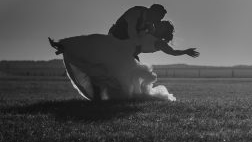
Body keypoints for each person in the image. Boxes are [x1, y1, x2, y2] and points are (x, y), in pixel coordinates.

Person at [48, 18, 198, 101]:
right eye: (160, 24)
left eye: (163, 26)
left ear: (165, 31)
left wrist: (185, 51)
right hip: (118, 46)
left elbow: (172, 52)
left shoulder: (159, 43)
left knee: (107, 72)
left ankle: (100, 99)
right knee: (95, 41)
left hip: (124, 54)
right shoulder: (147, 30)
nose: (159, 25)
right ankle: (64, 45)